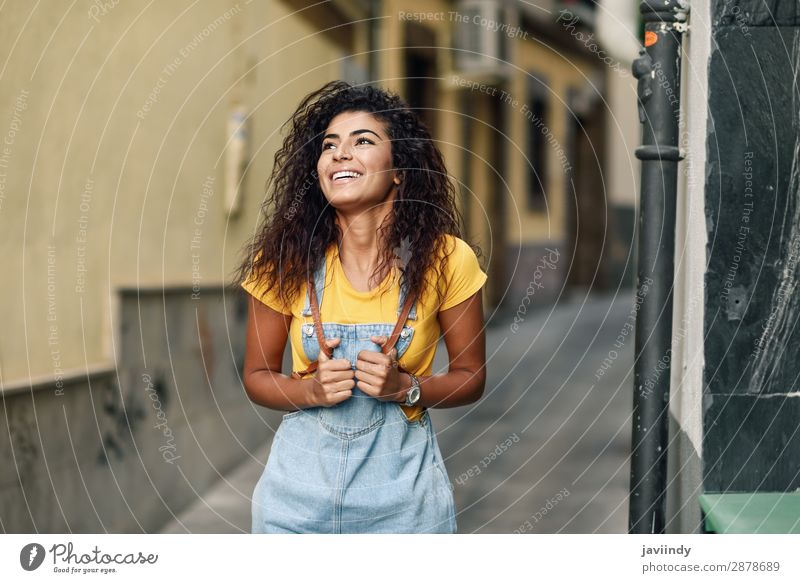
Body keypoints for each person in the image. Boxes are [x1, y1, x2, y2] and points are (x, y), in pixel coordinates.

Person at [234, 80, 487, 533]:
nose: (340, 154)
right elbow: (256, 377)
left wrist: (407, 388)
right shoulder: (282, 261)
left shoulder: (449, 260)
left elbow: (471, 377)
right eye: (330, 145)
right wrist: (309, 392)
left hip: (404, 504)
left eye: (363, 141)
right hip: (295, 505)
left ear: (399, 172)